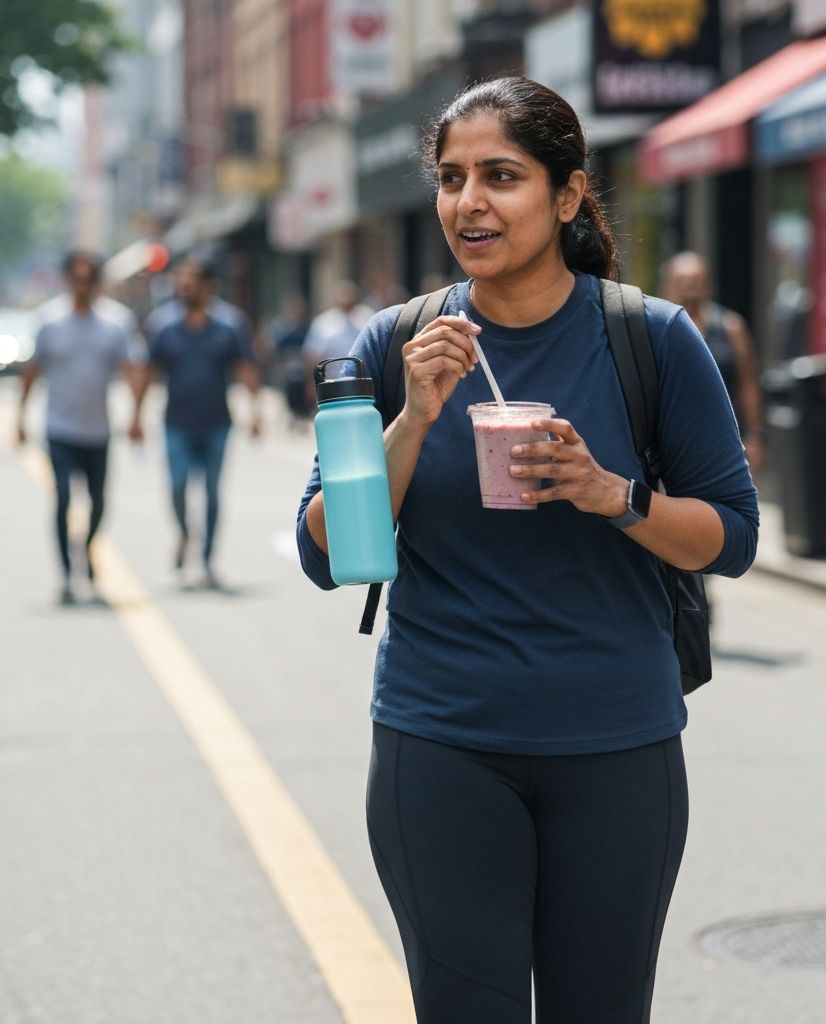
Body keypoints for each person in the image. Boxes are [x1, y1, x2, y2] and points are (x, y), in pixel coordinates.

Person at [296, 77, 758, 1023]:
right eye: (453, 177)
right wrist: (413, 420)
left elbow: (734, 536)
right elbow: (328, 549)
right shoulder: (396, 343)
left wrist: (612, 495)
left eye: (501, 176)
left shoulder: (651, 339)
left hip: (618, 747)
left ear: (567, 194)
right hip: (440, 743)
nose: (470, 202)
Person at [16, 251, 146, 603]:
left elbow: (132, 368)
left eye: (88, 280)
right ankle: (66, 573)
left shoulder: (115, 322)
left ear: (97, 284)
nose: (82, 286)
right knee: (61, 499)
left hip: (98, 430)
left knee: (98, 502)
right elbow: (32, 370)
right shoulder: (50, 320)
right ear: (67, 280)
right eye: (76, 279)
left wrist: (136, 415)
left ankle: (86, 547)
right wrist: (20, 417)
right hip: (59, 429)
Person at [142, 258, 262, 588]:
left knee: (211, 492)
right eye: (180, 281)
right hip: (176, 424)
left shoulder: (229, 324)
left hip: (217, 424)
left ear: (207, 285)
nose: (185, 287)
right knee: (178, 486)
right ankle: (184, 532)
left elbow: (245, 368)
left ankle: (207, 560)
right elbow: (148, 370)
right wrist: (135, 416)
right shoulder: (163, 324)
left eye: (191, 281)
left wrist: (256, 412)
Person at [660, 251, 766, 474]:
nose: (691, 288)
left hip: (724, 441)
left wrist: (755, 435)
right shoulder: (656, 330)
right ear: (668, 286)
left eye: (698, 281)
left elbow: (747, 382)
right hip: (672, 444)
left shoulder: (731, 327)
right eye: (683, 282)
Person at [301, 280, 373, 367]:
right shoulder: (324, 321)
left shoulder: (368, 315)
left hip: (364, 377)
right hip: (332, 378)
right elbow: (311, 354)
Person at [267, 292, 311, 427]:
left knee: (301, 391)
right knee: (289, 391)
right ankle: (293, 414)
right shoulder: (282, 329)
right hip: (288, 367)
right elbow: (277, 348)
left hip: (302, 367)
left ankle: (302, 414)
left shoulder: (306, 328)